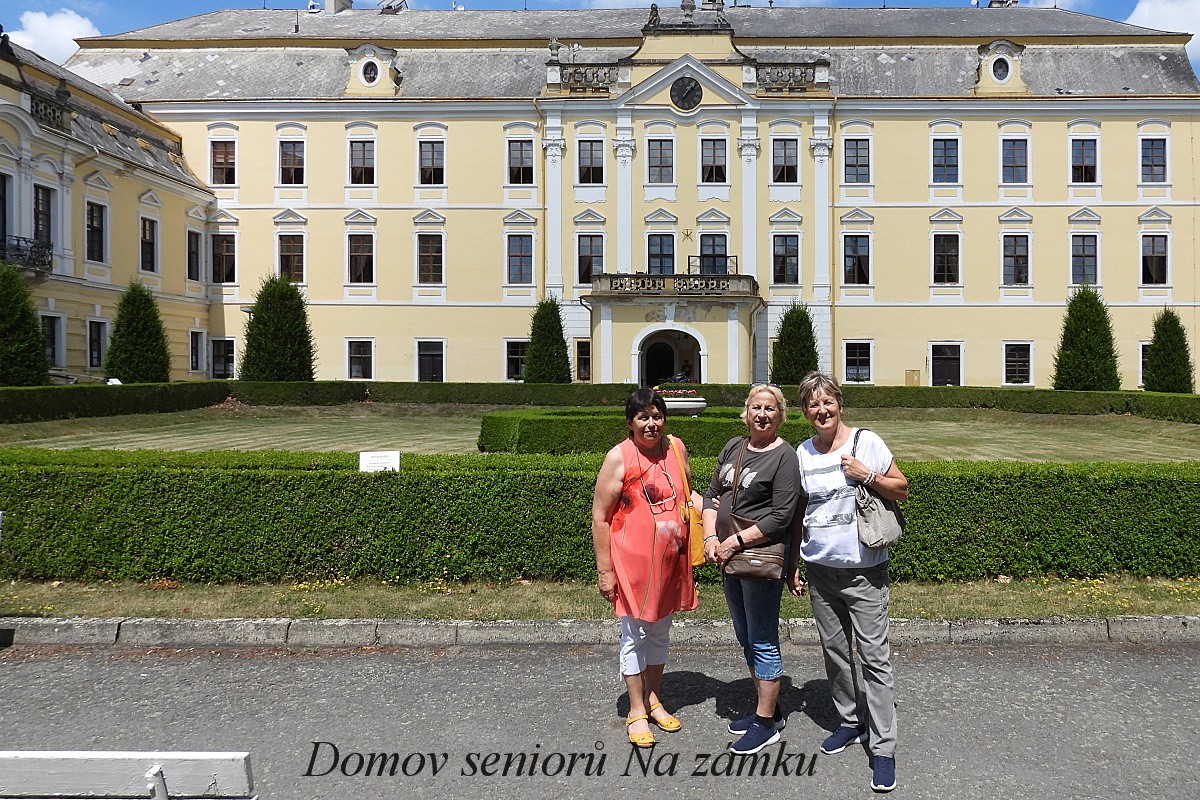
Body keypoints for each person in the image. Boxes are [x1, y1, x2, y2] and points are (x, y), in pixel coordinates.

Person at [789, 371, 909, 793]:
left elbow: (901, 488)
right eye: (813, 404)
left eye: (828, 402)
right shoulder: (803, 453)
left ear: (839, 404)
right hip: (821, 570)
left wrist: (867, 475)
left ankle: (883, 748)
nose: (821, 410)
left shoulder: (866, 442)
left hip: (864, 571)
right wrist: (795, 561)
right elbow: (800, 510)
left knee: (875, 659)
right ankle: (849, 721)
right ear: (805, 411)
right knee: (836, 653)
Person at [592, 388, 700, 748]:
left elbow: (689, 496)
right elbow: (600, 517)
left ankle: (654, 699)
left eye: (656, 416)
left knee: (659, 634)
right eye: (643, 417)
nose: (651, 424)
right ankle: (636, 709)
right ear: (630, 422)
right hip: (632, 568)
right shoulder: (619, 457)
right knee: (635, 635)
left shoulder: (676, 448)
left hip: (670, 564)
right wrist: (605, 571)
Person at [703, 383, 801, 755]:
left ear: (780, 416)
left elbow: (781, 516)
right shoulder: (734, 446)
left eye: (770, 409)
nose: (762, 414)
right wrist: (709, 537)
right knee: (745, 636)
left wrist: (734, 542)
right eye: (756, 407)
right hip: (728, 557)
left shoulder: (785, 457)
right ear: (746, 412)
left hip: (757, 559)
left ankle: (765, 725)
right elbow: (712, 495)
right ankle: (768, 710)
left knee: (762, 639)